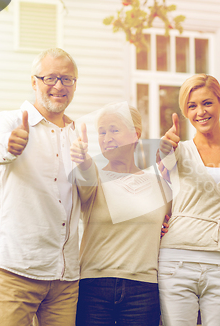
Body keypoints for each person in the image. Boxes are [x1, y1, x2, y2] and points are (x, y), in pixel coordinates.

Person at [0, 48, 80, 325]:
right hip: (17, 270)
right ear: (34, 81)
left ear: (75, 85)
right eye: (50, 78)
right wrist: (10, 146)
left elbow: (96, 195)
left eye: (67, 79)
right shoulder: (9, 122)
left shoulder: (78, 134)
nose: (59, 86)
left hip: (65, 278)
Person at [158, 74, 220, 326]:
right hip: (176, 262)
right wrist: (163, 155)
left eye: (207, 103)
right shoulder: (175, 151)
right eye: (192, 106)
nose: (200, 111)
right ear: (185, 112)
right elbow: (154, 195)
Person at [70, 102, 171, 326]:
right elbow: (85, 178)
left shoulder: (160, 184)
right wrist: (83, 160)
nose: (106, 137)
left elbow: (176, 222)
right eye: (102, 132)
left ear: (135, 134)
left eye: (114, 130)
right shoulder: (93, 175)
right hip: (94, 287)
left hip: (143, 290)